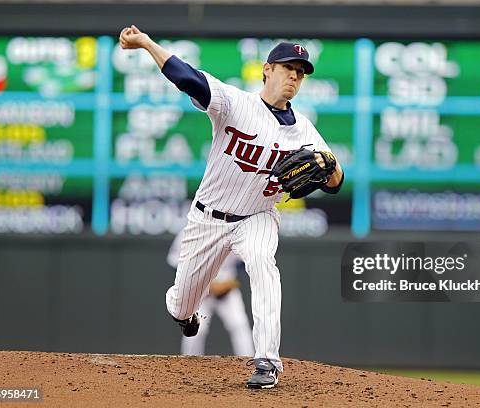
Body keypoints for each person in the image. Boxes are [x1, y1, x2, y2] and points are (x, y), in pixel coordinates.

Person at [119, 25, 344, 389]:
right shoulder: (234, 103)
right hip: (207, 218)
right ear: (267, 70)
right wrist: (146, 43)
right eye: (288, 68)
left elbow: (336, 181)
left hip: (257, 216)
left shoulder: (304, 130)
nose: (294, 76)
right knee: (180, 305)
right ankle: (183, 311)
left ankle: (268, 361)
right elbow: (185, 76)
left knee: (262, 265)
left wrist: (330, 168)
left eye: (300, 73)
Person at [167, 231, 254, 357]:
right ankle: (188, 365)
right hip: (199, 290)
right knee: (196, 329)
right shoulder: (191, 230)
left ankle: (248, 364)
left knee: (239, 324)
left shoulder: (233, 230)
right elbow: (175, 262)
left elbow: (246, 261)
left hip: (226, 289)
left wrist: (234, 282)